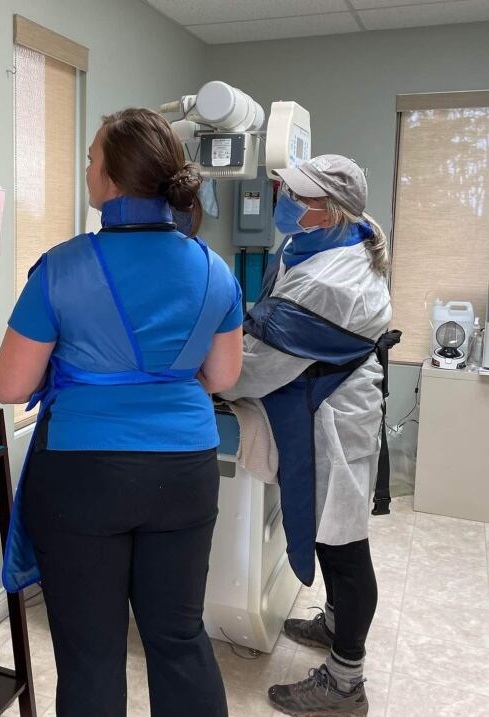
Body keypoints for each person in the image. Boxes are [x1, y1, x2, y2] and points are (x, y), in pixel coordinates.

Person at [0, 108, 243, 717]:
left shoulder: (62, 267)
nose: (85, 169)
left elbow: (10, 383)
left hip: (84, 475)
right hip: (185, 471)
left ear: (110, 179)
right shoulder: (214, 269)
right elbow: (223, 376)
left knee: (92, 652)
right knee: (179, 636)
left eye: (89, 158)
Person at [220, 155, 395, 717]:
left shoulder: (327, 281)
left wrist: (210, 375)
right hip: (331, 398)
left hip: (336, 416)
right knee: (329, 529)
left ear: (328, 210)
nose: (282, 201)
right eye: (282, 189)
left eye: (294, 195)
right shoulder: (328, 242)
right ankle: (336, 623)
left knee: (342, 543)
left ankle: (347, 684)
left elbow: (260, 366)